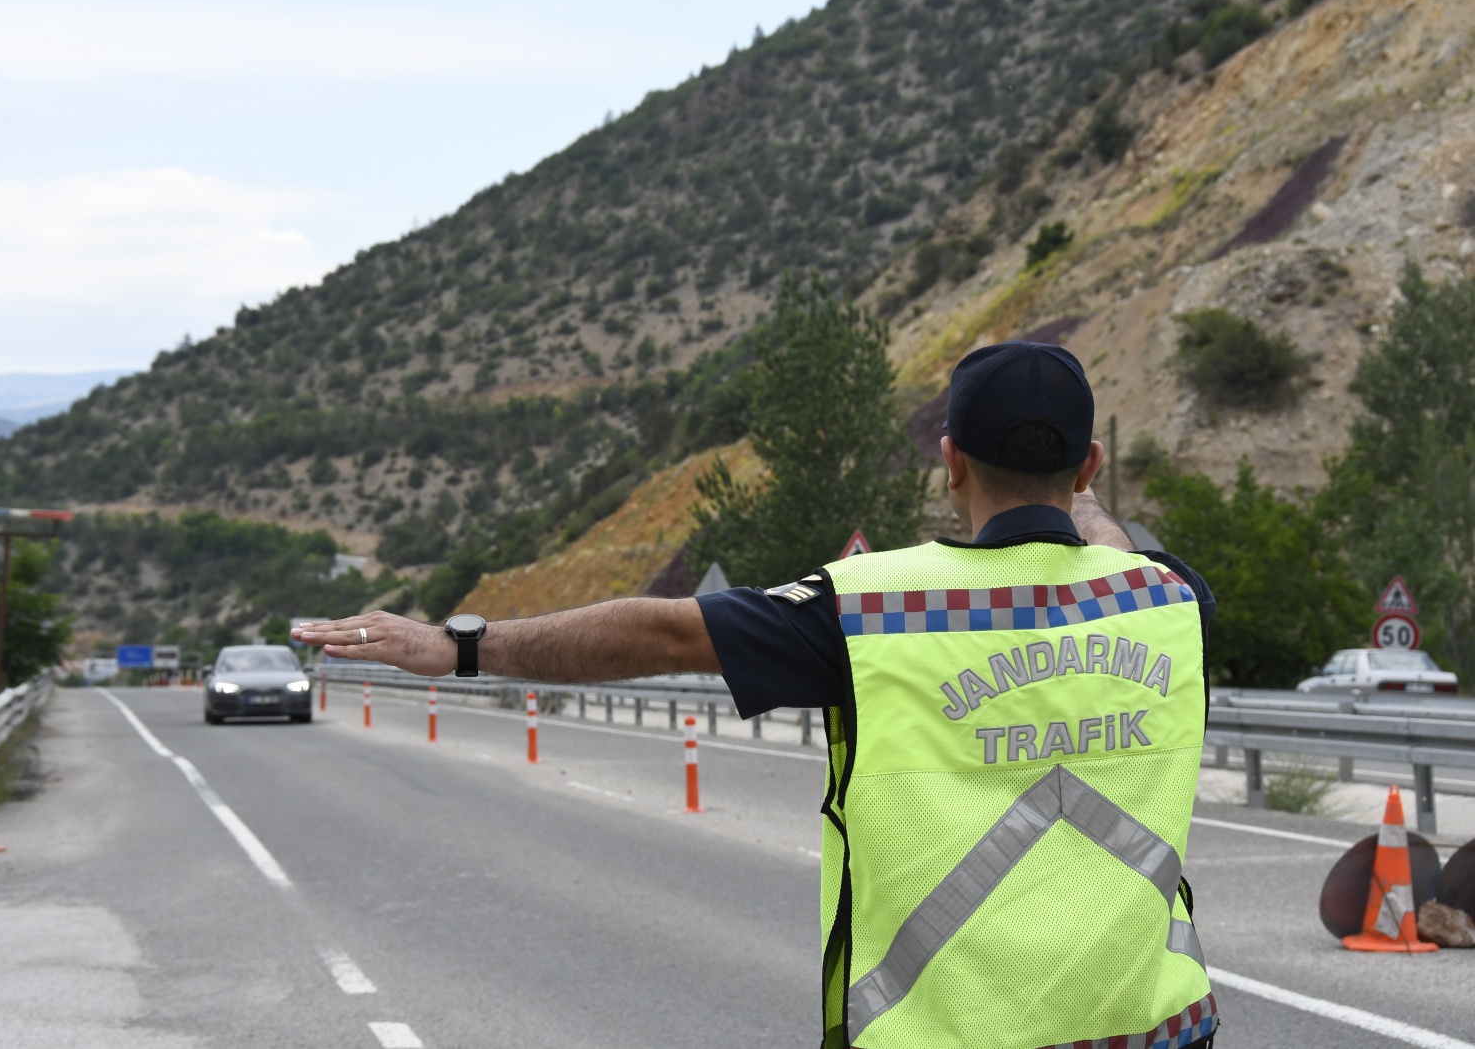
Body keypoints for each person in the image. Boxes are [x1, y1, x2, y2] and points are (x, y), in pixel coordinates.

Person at [294, 341, 1218, 1049]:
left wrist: (458, 645)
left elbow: (660, 630)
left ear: (951, 461)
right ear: (1091, 464)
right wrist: (1083, 511)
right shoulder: (1171, 599)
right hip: (1157, 1026)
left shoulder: (873, 609)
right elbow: (1109, 539)